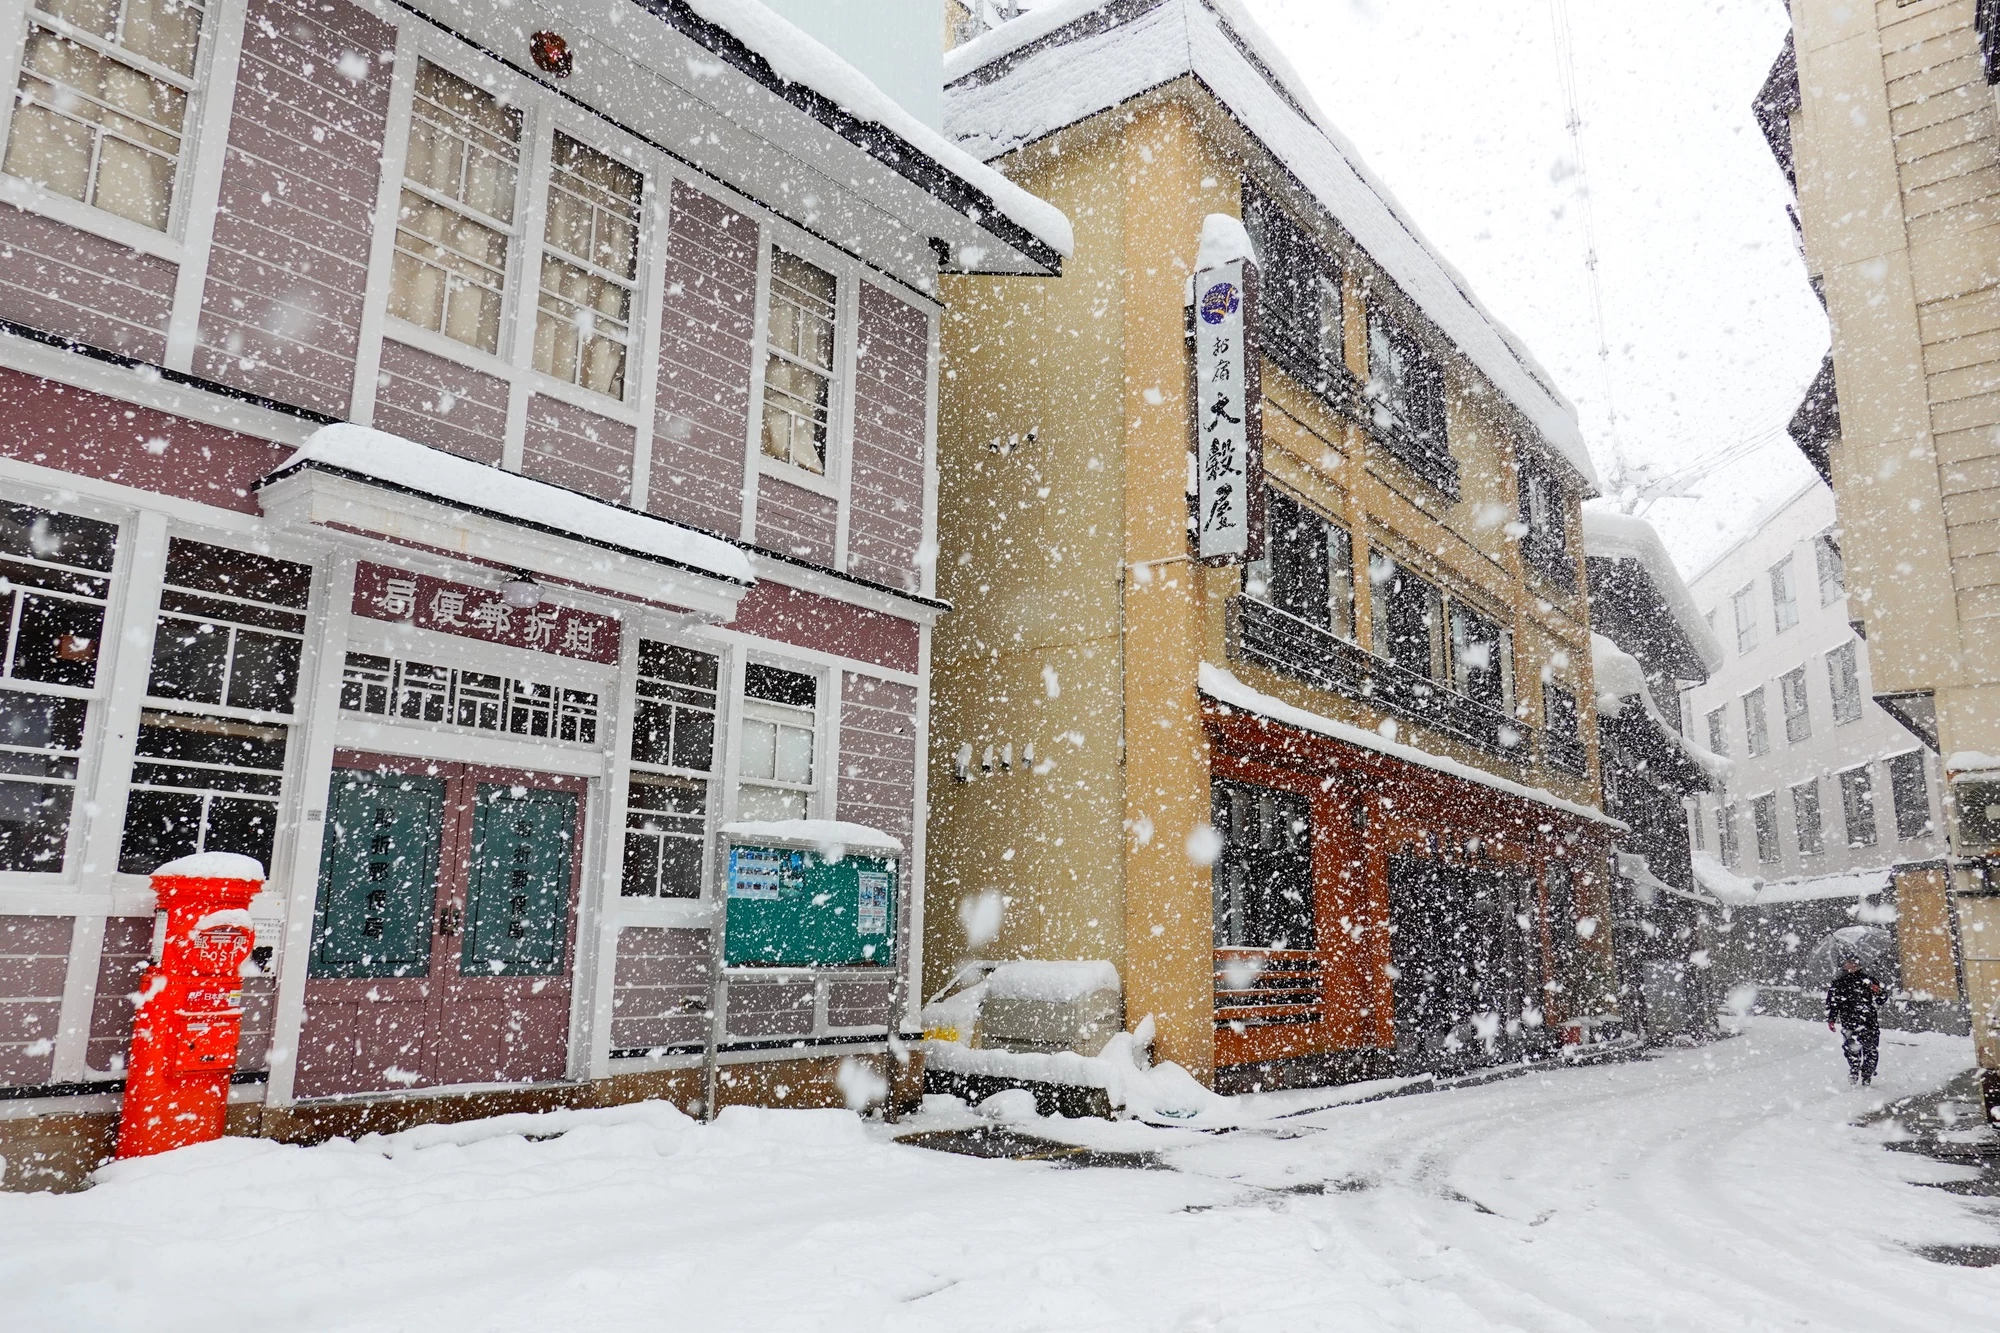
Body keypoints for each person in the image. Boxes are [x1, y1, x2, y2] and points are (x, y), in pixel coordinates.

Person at [1825, 956, 1886, 1086]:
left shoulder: (1868, 980)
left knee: (1871, 1049)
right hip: (1849, 1021)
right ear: (1844, 966)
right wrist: (1831, 1018)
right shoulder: (1839, 983)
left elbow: (1882, 998)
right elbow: (1833, 1003)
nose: (1852, 966)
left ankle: (1867, 1074)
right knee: (1851, 1048)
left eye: (1855, 963)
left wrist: (1879, 991)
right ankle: (1854, 1069)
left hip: (1869, 1021)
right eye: (1849, 963)